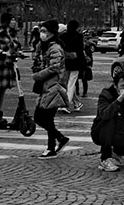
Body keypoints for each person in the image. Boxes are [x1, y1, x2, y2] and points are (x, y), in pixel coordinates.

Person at [31, 20, 70, 157]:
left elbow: (55, 67)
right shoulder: (43, 46)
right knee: (43, 118)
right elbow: (38, 62)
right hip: (46, 87)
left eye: (45, 31)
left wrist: (38, 75)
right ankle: (55, 143)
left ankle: (55, 144)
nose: (42, 34)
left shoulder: (55, 48)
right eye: (41, 31)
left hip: (54, 86)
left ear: (52, 33)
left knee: (44, 118)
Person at [60, 19, 86, 113]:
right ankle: (68, 104)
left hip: (65, 61)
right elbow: (80, 50)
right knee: (71, 84)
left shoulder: (63, 36)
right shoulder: (79, 36)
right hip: (76, 62)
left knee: (67, 84)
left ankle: (75, 103)